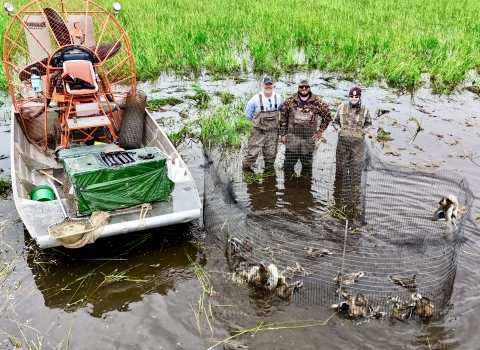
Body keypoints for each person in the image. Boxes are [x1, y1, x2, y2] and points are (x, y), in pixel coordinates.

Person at [332, 86, 372, 220]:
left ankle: (354, 198)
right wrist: (339, 130)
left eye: (356, 97)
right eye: (352, 96)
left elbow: (369, 123)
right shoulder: (342, 107)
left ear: (360, 97)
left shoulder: (365, 109)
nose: (354, 99)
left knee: (356, 170)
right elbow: (335, 122)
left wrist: (363, 132)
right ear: (349, 97)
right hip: (342, 143)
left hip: (358, 145)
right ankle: (338, 195)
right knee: (340, 170)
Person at [280, 78, 331, 174]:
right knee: (288, 164)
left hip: (308, 139)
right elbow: (283, 118)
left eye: (306, 87)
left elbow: (327, 117)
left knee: (307, 166)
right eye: (301, 87)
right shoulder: (290, 101)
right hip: (292, 138)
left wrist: (320, 131)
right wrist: (283, 134)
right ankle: (288, 187)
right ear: (298, 87)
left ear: (309, 87)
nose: (304, 88)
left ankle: (306, 187)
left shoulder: (318, 102)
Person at [243, 76, 284, 172]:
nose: (268, 86)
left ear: (273, 85)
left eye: (270, 84)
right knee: (252, 154)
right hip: (258, 132)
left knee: (271, 155)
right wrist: (258, 123)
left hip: (273, 132)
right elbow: (248, 114)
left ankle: (269, 174)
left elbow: (282, 111)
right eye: (266, 84)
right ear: (262, 85)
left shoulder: (278, 98)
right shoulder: (254, 100)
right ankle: (245, 170)